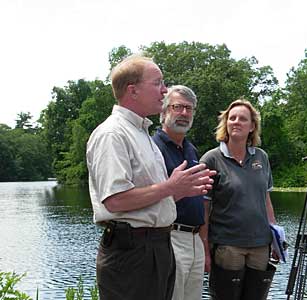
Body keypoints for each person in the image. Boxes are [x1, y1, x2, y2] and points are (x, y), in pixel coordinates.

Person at [86, 55, 215, 300]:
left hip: (156, 247)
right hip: (132, 252)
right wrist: (170, 187)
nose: (164, 90)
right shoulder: (112, 134)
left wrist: (181, 190)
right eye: (157, 83)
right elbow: (115, 200)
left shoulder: (142, 134)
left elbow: (151, 197)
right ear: (132, 90)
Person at [200, 99, 278, 300]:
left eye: (243, 119)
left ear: (252, 126)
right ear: (225, 123)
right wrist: (205, 248)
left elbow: (266, 200)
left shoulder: (261, 157)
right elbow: (203, 207)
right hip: (228, 246)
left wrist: (277, 240)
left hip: (261, 246)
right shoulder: (211, 159)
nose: (236, 122)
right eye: (232, 118)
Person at [152, 85, 208, 300]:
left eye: (189, 109)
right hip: (169, 236)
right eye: (178, 107)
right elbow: (151, 199)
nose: (184, 113)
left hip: (194, 240)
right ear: (164, 112)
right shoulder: (153, 147)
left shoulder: (190, 149)